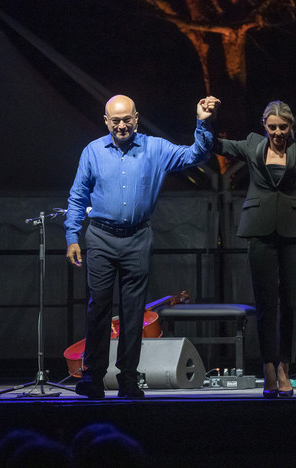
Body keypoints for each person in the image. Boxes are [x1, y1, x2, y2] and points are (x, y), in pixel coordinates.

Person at [65, 94, 220, 399]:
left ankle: (128, 380)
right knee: (98, 307)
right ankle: (93, 377)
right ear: (106, 121)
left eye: (127, 119)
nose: (121, 126)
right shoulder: (93, 152)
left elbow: (196, 156)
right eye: (115, 120)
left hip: (137, 238)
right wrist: (72, 236)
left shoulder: (156, 148)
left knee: (134, 311)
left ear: (136, 118)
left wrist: (203, 122)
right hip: (100, 236)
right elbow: (77, 196)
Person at [214, 101, 296, 398]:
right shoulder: (252, 144)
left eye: (283, 127)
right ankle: (267, 366)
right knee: (266, 305)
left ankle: (284, 368)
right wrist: (206, 120)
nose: (278, 132)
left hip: (293, 230)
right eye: (272, 127)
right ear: (264, 125)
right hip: (258, 228)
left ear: (291, 126)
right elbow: (214, 145)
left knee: (290, 305)